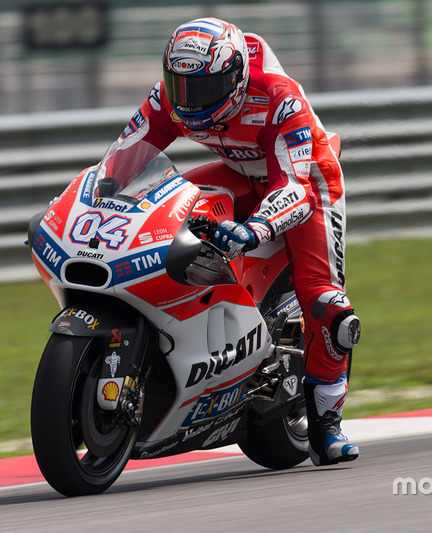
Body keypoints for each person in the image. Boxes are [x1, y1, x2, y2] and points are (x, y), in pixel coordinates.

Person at [112, 17, 361, 466]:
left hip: (307, 183)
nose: (188, 100)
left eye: (203, 90)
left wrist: (256, 228)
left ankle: (326, 425)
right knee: (159, 214)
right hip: (239, 174)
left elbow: (295, 188)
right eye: (180, 86)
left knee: (327, 303)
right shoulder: (169, 97)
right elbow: (122, 162)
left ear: (237, 77)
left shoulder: (280, 99)